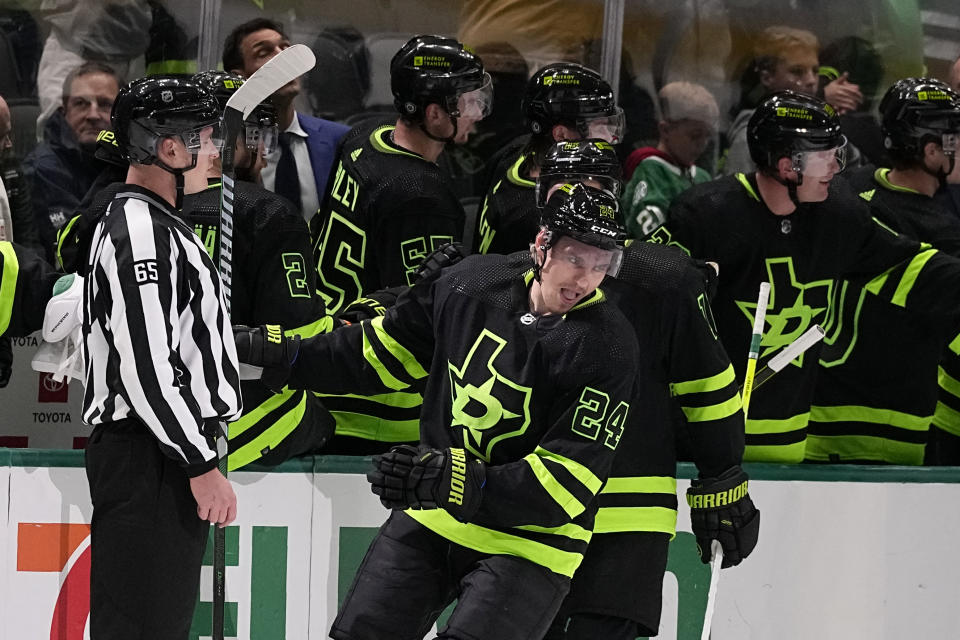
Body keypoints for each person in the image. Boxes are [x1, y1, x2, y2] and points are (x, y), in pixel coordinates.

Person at [236, 183, 638, 640]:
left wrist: (462, 478)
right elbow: (380, 353)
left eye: (601, 265)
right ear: (542, 245)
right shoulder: (470, 284)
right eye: (576, 259)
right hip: (433, 513)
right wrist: (287, 356)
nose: (586, 279)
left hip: (532, 543)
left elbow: (568, 485)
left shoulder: (609, 345)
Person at [650, 90, 960, 463]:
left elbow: (909, 268)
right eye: (825, 157)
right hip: (697, 445)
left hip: (790, 448)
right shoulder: (707, 215)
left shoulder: (838, 217)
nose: (836, 168)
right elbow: (640, 291)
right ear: (787, 165)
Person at [82, 75, 241, 639]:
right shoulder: (139, 231)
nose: (217, 149)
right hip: (150, 455)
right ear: (169, 147)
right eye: (206, 135)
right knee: (141, 627)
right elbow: (145, 367)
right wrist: (199, 463)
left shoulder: (158, 225)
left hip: (160, 452)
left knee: (157, 624)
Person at [183, 69, 337, 470]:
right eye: (259, 135)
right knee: (326, 420)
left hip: (158, 421)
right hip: (245, 424)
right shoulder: (270, 214)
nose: (265, 150)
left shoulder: (137, 207)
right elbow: (300, 336)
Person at [806, 78, 960, 465]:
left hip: (812, 415)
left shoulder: (844, 190)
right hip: (890, 429)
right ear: (930, 151)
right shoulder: (940, 232)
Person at [311, 34, 492, 314]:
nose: (478, 113)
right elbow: (417, 313)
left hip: (325, 311)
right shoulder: (422, 198)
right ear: (434, 115)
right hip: (359, 340)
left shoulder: (363, 135)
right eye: (469, 102)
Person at [473, 62, 624, 255]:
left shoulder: (515, 152)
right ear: (561, 135)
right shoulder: (548, 214)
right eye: (600, 125)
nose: (610, 137)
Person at [223, 18, 349, 221]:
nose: (283, 58)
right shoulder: (226, 152)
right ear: (240, 78)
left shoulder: (340, 140)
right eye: (263, 52)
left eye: (286, 48)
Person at [723, 26, 863, 176]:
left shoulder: (827, 133)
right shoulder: (751, 138)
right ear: (767, 78)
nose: (811, 80)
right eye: (797, 71)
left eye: (815, 71)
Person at [23, 61, 122, 262]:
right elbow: (74, 251)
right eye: (81, 104)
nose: (93, 115)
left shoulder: (133, 162)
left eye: (104, 104)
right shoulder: (42, 169)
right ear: (64, 111)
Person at [621, 81, 718, 239]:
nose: (702, 144)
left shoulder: (702, 176)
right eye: (695, 135)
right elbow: (647, 234)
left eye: (708, 136)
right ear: (665, 130)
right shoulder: (650, 170)